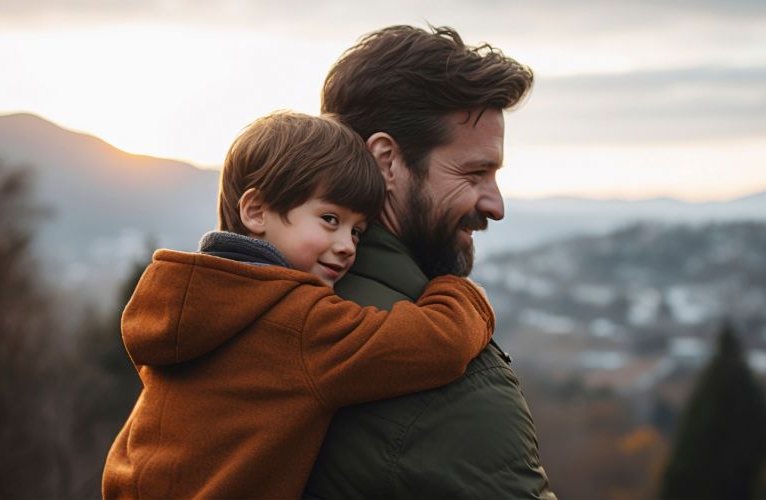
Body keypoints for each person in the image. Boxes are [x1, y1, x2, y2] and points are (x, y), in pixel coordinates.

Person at [102, 111, 497, 498]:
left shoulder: (184, 299)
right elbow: (439, 343)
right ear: (256, 211)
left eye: (358, 231)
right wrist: (459, 291)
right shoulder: (299, 324)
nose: (346, 245)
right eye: (329, 218)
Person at [303, 26, 557, 498]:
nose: (496, 205)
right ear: (387, 161)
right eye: (475, 173)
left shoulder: (255, 307)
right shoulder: (454, 383)